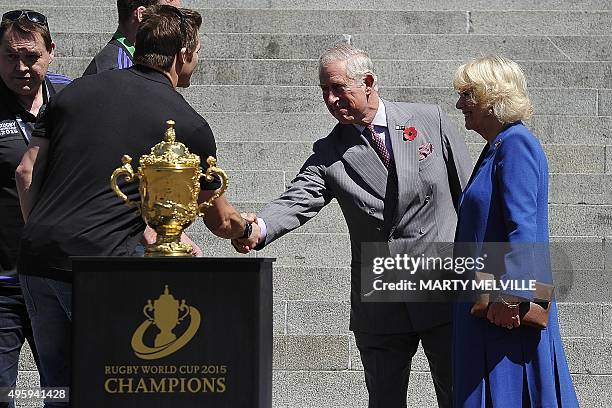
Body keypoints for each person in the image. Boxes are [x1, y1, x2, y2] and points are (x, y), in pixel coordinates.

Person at [15, 6, 259, 406]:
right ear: (183, 54)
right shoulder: (187, 123)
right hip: (101, 268)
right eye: (196, 51)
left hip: (37, 257)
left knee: (57, 388)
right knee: (113, 385)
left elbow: (26, 172)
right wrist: (247, 230)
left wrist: (43, 233)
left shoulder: (75, 91)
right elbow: (219, 218)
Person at [234, 44, 471, 408]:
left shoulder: (429, 120)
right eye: (324, 91)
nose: (329, 99)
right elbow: (297, 199)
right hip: (382, 299)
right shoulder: (330, 152)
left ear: (368, 82)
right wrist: (256, 228)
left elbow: (470, 198)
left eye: (337, 87)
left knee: (461, 398)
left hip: (443, 286)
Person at [452, 56, 579, 407]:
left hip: (504, 316)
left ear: (491, 96)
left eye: (467, 94)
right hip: (485, 310)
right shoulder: (496, 147)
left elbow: (523, 229)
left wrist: (512, 297)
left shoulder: (516, 144)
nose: (459, 104)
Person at [0, 10, 70, 408]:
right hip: (4, 282)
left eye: (31, 56)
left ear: (51, 53)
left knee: (62, 393)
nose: (21, 67)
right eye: (10, 56)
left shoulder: (71, 102)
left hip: (55, 278)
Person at [82, 0, 181, 76]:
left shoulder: (122, 60)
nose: (177, 28)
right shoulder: (118, 69)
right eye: (170, 18)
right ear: (141, 15)